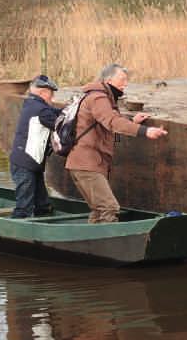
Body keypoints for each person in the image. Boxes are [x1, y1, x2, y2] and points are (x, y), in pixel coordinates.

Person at [65, 64, 168, 223]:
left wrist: (131, 121)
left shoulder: (104, 97)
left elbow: (109, 131)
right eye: (122, 79)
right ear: (108, 79)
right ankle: (107, 244)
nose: (125, 84)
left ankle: (93, 242)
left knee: (99, 209)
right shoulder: (98, 98)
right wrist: (144, 131)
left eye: (126, 80)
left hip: (85, 163)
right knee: (109, 207)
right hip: (86, 164)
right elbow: (113, 122)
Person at [9, 75, 62, 218]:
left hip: (29, 163)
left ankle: (43, 220)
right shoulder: (41, 110)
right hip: (26, 164)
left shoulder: (32, 104)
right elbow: (61, 125)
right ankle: (15, 231)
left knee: (42, 204)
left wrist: (69, 110)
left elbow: (56, 113)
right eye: (51, 92)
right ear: (43, 92)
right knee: (24, 207)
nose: (53, 96)